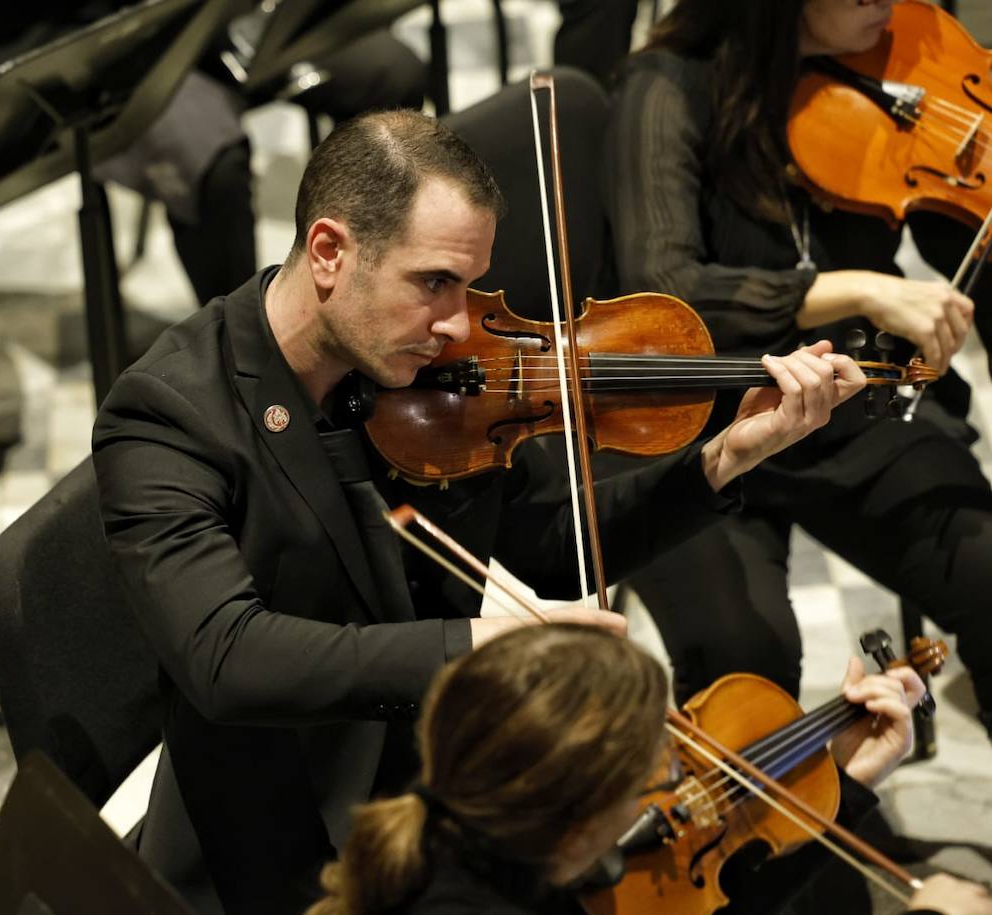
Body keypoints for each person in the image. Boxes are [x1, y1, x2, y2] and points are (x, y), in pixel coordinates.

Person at [92, 109, 866, 914]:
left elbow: (543, 544)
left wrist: (722, 460)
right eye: (432, 282)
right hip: (277, 845)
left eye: (467, 285)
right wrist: (474, 644)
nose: (460, 322)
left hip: (436, 802)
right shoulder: (171, 411)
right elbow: (226, 657)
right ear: (329, 252)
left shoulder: (431, 378)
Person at [602, 0, 992, 739]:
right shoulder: (664, 89)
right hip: (703, 430)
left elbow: (956, 245)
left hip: (849, 408)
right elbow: (668, 292)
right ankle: (762, 847)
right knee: (746, 658)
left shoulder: (891, 80)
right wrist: (858, 288)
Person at [305, 625, 991, 915]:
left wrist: (854, 784)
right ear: (585, 808)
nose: (684, 787)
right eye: (663, 760)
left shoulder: (444, 832)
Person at [0, 0, 428, 305]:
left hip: (204, 17)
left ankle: (362, 289)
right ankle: (246, 359)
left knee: (389, 71)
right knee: (210, 160)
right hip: (87, 42)